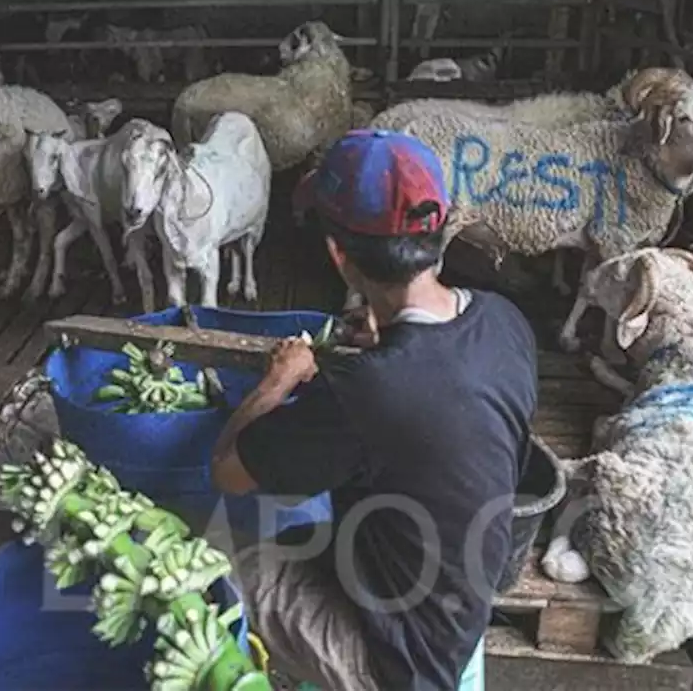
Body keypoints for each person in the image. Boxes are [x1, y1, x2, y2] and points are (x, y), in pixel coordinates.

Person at [210, 130, 538, 690]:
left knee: (213, 571)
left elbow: (228, 471)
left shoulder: (365, 390)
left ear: (339, 255)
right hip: (461, 605)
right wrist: (384, 346)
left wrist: (277, 381)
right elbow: (432, 387)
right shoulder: (505, 320)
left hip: (402, 663)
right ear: (439, 226)